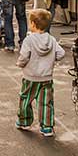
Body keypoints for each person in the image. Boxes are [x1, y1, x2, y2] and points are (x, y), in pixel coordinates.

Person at [15, 8, 65, 137]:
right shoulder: (52, 40)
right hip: (46, 78)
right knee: (46, 102)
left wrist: (20, 64)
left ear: (32, 24)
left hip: (30, 77)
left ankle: (24, 121)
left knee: (25, 99)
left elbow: (24, 56)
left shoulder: (29, 40)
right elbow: (61, 53)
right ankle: (47, 127)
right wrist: (51, 60)